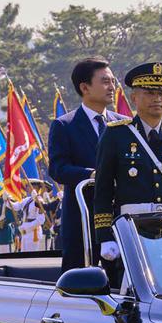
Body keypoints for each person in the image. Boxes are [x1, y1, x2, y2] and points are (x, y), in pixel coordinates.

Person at [93, 61, 162, 266]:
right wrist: (105, 236)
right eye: (149, 93)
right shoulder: (116, 134)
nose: (157, 99)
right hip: (131, 226)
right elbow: (103, 189)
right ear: (134, 98)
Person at [49, 56, 128, 271]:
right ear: (85, 87)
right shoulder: (65, 125)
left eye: (113, 81)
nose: (112, 86)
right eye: (104, 81)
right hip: (82, 219)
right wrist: (91, 175)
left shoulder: (123, 124)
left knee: (122, 284)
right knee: (79, 284)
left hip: (118, 218)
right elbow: (58, 169)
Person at [12, 179, 47, 252]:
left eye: (28, 186)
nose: (27, 188)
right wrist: (7, 200)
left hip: (33, 231)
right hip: (25, 230)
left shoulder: (39, 201)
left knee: (31, 255)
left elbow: (41, 220)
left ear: (35, 188)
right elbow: (16, 207)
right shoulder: (28, 199)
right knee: (24, 254)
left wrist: (28, 226)